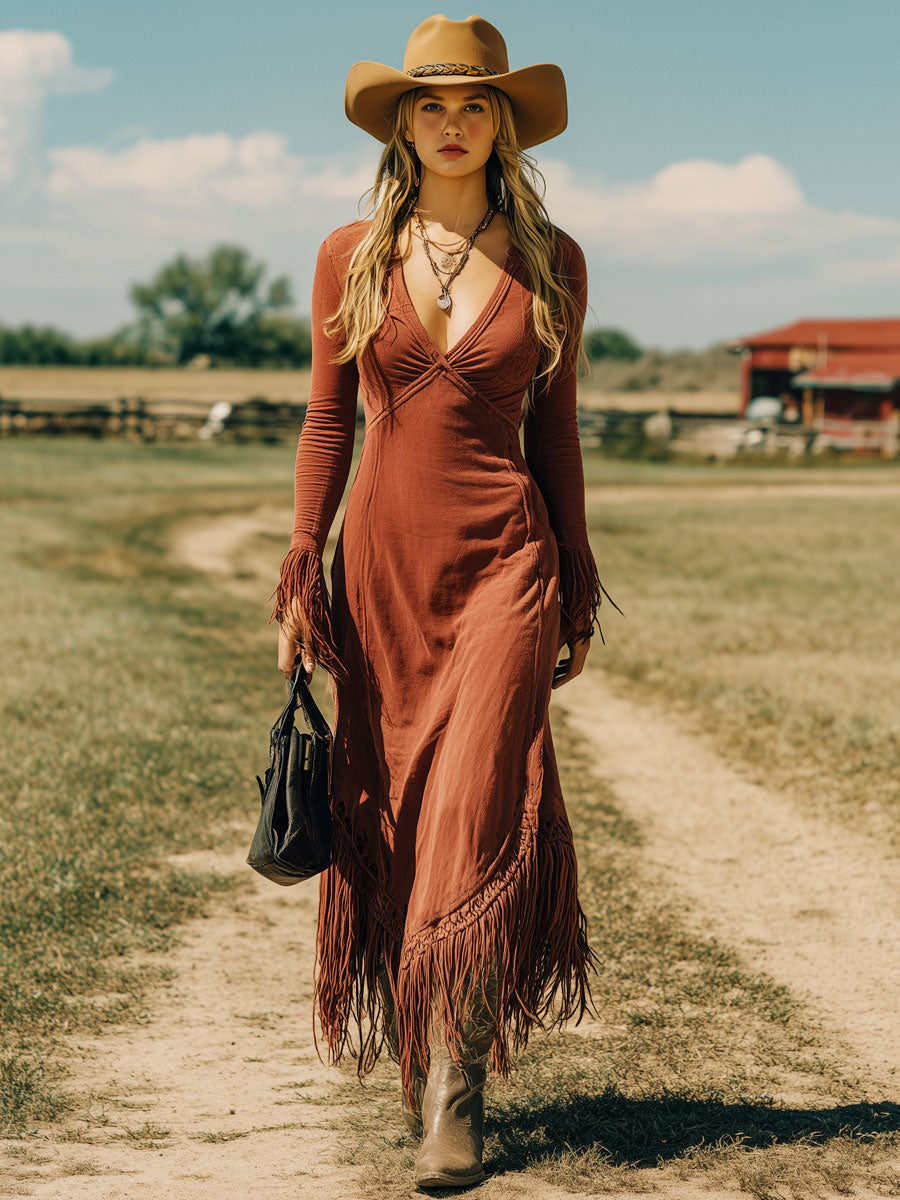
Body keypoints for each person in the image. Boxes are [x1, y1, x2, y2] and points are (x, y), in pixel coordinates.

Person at [267, 14, 620, 1189]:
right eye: (433, 105)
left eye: (477, 105)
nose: (454, 123)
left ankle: (453, 1097)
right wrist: (301, 563)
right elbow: (328, 420)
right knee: (401, 807)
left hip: (508, 562)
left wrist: (574, 572)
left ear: (504, 125)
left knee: (477, 802)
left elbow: (555, 434)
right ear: (404, 126)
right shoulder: (348, 254)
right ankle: (422, 1049)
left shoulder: (555, 258)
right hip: (383, 568)